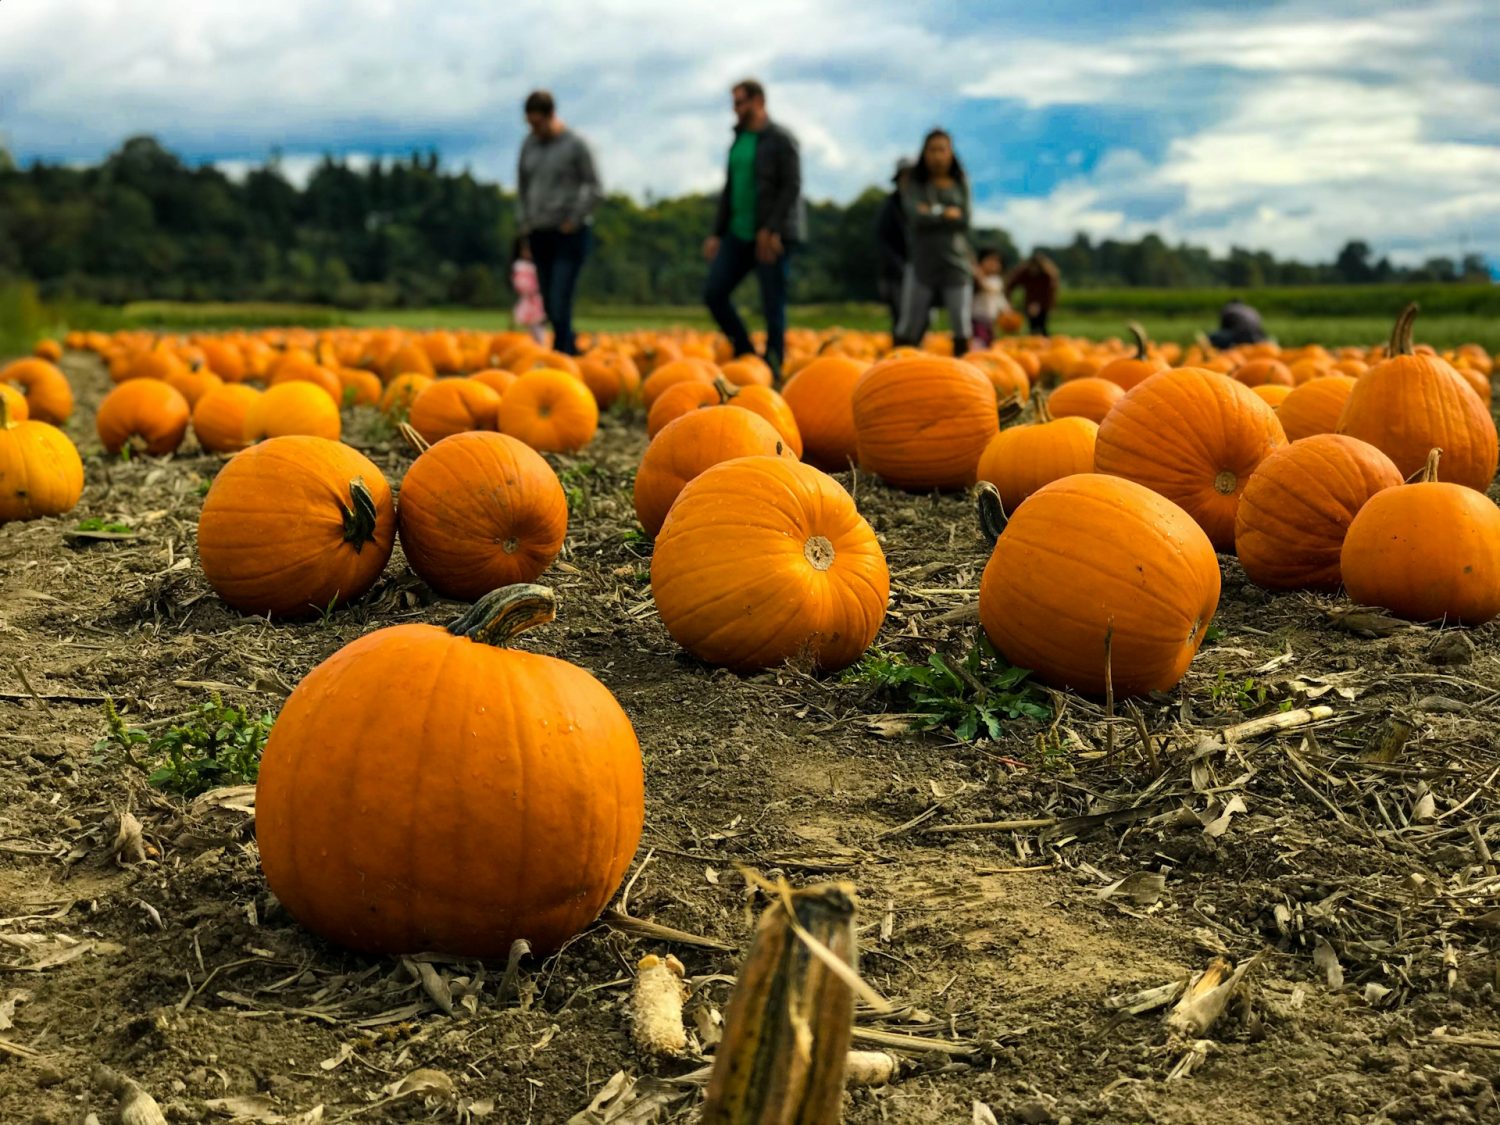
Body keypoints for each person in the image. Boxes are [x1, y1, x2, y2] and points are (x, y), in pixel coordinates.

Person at [703, 79, 805, 382]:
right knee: (714, 292)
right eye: (734, 103)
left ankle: (773, 364)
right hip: (738, 232)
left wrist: (771, 228)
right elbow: (731, 189)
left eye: (741, 102)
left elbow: (792, 186)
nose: (736, 109)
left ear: (759, 101)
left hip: (771, 235)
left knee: (773, 301)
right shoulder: (738, 140)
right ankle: (746, 351)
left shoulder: (781, 139)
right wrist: (716, 233)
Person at [516, 90, 601, 355]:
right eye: (530, 124)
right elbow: (522, 188)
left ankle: (562, 355)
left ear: (551, 116)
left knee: (559, 297)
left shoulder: (575, 145)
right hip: (539, 232)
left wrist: (573, 219)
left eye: (538, 124)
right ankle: (570, 349)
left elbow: (595, 188)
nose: (535, 130)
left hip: (568, 233)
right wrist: (524, 227)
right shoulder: (529, 145)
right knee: (550, 306)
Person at [895, 129, 973, 355]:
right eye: (932, 150)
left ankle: (966, 373)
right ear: (924, 153)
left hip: (956, 262)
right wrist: (945, 213)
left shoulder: (961, 183)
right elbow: (915, 217)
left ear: (950, 153)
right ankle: (896, 371)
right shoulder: (914, 183)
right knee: (911, 321)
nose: (937, 156)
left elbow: (965, 220)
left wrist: (931, 212)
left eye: (942, 150)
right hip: (922, 262)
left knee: (960, 320)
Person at [874, 158, 913, 336]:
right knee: (900, 314)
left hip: (920, 270)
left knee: (920, 315)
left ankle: (916, 352)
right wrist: (898, 265)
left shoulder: (920, 205)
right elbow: (882, 240)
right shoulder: (890, 207)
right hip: (896, 271)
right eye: (904, 177)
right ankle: (901, 350)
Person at [1005, 252, 1060, 336]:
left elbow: (1050, 293)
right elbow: (1010, 285)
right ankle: (1035, 344)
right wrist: (1009, 302)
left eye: (1036, 267)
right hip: (1029, 304)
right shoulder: (1025, 273)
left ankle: (1043, 344)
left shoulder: (1047, 276)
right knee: (1033, 328)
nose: (1034, 270)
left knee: (1042, 327)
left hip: (1044, 305)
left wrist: (1041, 305)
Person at [509, 237, 547, 343]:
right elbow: (519, 283)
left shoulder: (538, 266)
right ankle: (529, 343)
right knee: (525, 323)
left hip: (537, 299)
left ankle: (539, 342)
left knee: (538, 322)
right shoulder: (520, 266)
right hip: (528, 299)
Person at [971, 247, 1010, 348]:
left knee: (990, 342)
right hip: (976, 318)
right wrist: (976, 274)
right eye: (990, 260)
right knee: (978, 342)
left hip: (991, 319)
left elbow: (997, 296)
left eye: (997, 261)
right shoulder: (973, 281)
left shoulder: (995, 280)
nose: (993, 264)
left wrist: (1006, 310)